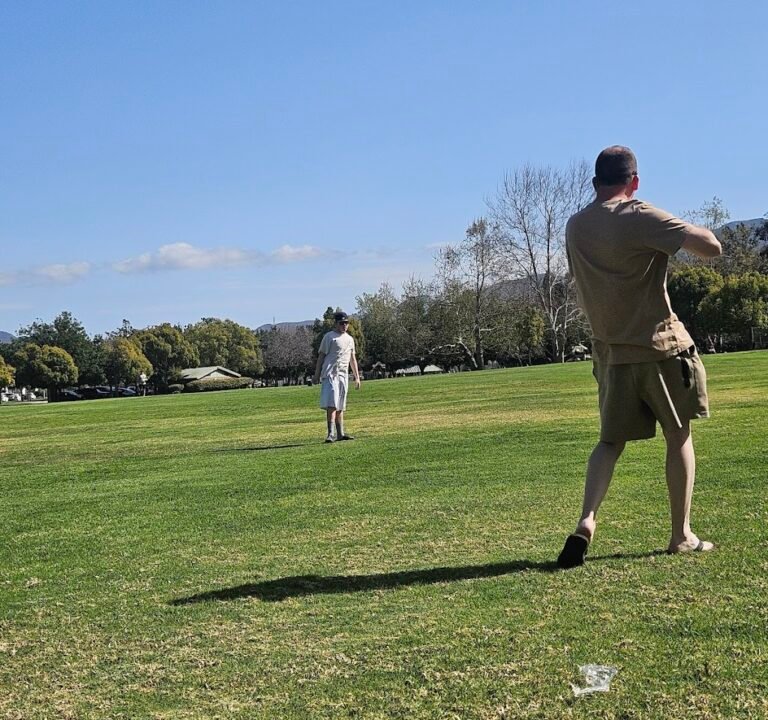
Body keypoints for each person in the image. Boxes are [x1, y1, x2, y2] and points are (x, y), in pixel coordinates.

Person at [557, 145, 722, 569]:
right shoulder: (641, 215)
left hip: (611, 355)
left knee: (609, 442)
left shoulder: (576, 226)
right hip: (659, 348)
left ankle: (586, 520)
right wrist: (674, 223)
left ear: (595, 182)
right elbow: (711, 247)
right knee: (678, 434)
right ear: (634, 181)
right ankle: (681, 535)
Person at [313, 310, 362, 443]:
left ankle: (340, 433)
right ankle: (331, 433)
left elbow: (352, 359)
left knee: (340, 404)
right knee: (332, 404)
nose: (344, 325)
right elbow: (321, 356)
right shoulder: (329, 337)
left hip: (343, 374)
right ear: (336, 324)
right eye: (341, 323)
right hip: (330, 374)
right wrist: (317, 374)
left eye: (346, 323)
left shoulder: (350, 339)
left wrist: (357, 377)